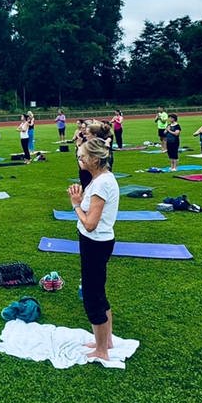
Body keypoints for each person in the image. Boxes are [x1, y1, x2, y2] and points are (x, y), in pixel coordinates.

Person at [67, 137, 119, 361]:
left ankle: (101, 350)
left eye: (82, 157)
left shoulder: (101, 184)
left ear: (95, 160)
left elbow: (90, 223)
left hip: (95, 242)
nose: (79, 160)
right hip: (97, 241)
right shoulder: (100, 179)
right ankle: (106, 341)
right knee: (98, 291)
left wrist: (76, 204)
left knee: (92, 295)